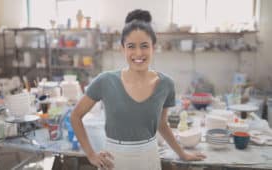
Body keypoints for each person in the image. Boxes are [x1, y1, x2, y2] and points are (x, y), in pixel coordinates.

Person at [71, 9, 206, 170]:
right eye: (131, 46)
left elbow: (162, 124)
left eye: (144, 46)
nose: (138, 53)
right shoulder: (105, 81)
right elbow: (76, 116)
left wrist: (181, 153)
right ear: (123, 49)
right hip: (114, 159)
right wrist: (91, 155)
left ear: (153, 48)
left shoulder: (166, 84)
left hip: (149, 157)